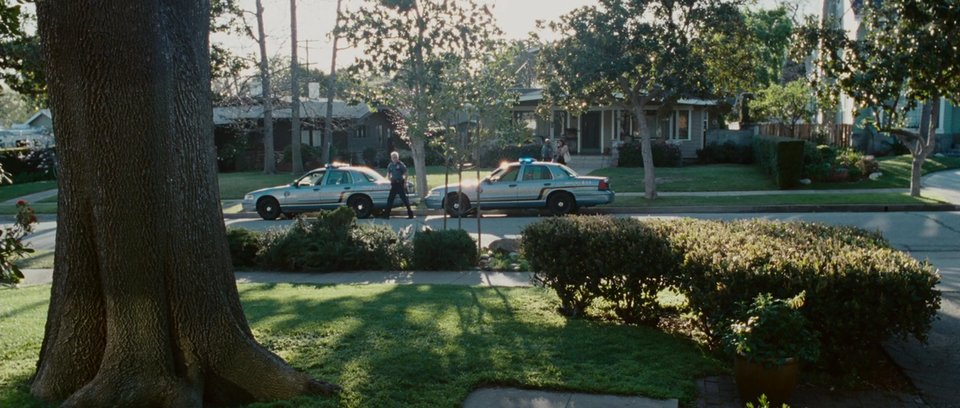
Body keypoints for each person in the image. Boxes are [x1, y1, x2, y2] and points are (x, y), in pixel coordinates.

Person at [384, 151, 414, 219]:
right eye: (393, 157)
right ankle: (386, 215)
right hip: (394, 184)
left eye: (395, 157)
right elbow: (388, 174)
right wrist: (389, 179)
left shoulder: (401, 165)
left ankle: (410, 214)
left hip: (400, 183)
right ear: (391, 158)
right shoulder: (390, 165)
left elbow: (406, 173)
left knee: (404, 199)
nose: (394, 158)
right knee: (390, 199)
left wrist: (405, 183)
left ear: (398, 158)